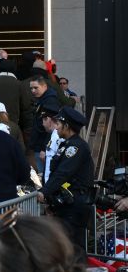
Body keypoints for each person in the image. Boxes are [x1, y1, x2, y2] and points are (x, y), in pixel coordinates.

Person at [41, 107, 94, 251]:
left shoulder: (76, 147)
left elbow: (63, 173)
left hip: (74, 204)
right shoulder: (66, 145)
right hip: (66, 203)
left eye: (58, 124)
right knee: (64, 247)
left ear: (67, 126)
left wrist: (44, 192)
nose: (56, 128)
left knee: (74, 248)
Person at [28, 74, 61, 173]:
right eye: (31, 88)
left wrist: (45, 148)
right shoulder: (43, 100)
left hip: (43, 146)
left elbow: (52, 127)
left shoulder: (50, 101)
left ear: (44, 86)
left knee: (44, 174)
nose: (33, 91)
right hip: (40, 144)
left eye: (35, 88)